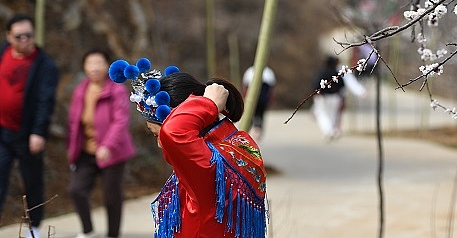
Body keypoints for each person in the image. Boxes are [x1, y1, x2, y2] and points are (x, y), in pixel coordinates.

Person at [108, 58, 268, 237]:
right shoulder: (239, 142)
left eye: (157, 134)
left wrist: (210, 104)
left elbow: (174, 132)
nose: (161, 143)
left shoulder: (204, 163)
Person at [0, 14, 60, 238]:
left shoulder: (44, 65)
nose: (25, 39)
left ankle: (33, 227)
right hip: (2, 131)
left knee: (32, 181)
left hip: (27, 134)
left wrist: (38, 131)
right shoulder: (3, 53)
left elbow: (45, 102)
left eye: (29, 35)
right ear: (9, 36)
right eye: (19, 36)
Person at [66, 48, 136, 238]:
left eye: (99, 63)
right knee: (76, 190)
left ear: (107, 66)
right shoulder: (81, 90)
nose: (94, 67)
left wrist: (107, 146)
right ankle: (87, 231)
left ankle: (113, 234)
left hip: (113, 152)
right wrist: (72, 148)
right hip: (86, 152)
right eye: (90, 63)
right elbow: (74, 123)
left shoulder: (117, 90)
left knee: (112, 198)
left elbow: (120, 122)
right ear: (84, 66)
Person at [311, 55, 366, 140]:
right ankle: (333, 131)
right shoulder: (337, 73)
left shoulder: (322, 72)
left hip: (323, 97)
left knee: (322, 114)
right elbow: (343, 86)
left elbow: (315, 85)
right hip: (336, 97)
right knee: (333, 115)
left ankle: (329, 131)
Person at [242, 64, 276, 140]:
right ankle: (252, 130)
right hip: (253, 99)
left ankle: (257, 130)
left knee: (259, 115)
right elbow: (245, 86)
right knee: (252, 115)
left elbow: (272, 88)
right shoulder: (250, 71)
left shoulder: (268, 72)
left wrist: (271, 98)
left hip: (262, 98)